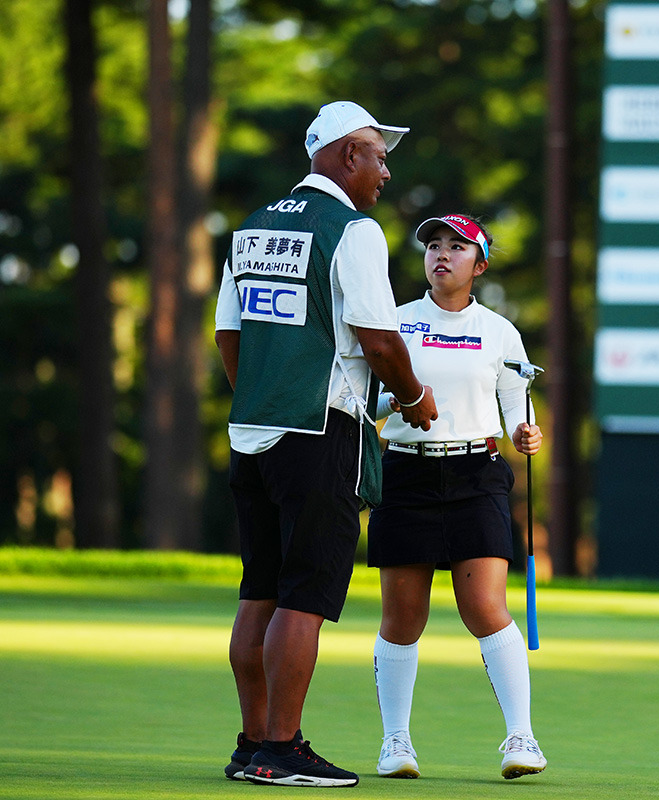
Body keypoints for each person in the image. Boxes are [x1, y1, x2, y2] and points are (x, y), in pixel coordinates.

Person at [213, 100, 439, 788]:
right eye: (378, 156)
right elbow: (377, 337)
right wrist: (414, 396)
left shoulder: (251, 228)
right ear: (347, 156)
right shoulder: (353, 229)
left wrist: (260, 388)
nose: (385, 172)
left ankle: (252, 744)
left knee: (261, 589)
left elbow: (229, 337)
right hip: (319, 430)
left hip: (252, 430)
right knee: (304, 595)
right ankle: (282, 750)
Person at [368, 213, 548, 780]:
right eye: (434, 246)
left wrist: (527, 433)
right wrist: (395, 403)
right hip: (406, 474)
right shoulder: (393, 323)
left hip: (477, 473)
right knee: (403, 616)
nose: (441, 254)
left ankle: (522, 737)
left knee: (486, 609)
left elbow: (518, 409)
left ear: (480, 263)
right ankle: (396, 743)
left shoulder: (499, 332)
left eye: (456, 247)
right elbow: (366, 403)